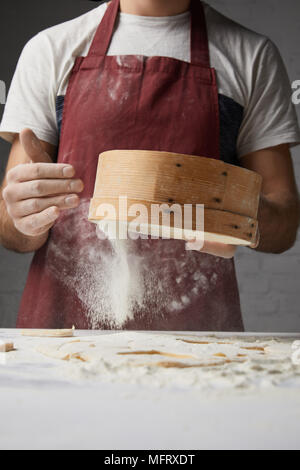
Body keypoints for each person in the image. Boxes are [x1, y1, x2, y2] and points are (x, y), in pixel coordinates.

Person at [0, 0, 299, 330]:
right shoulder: (50, 49)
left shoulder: (251, 56)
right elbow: (10, 230)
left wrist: (235, 217)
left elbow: (284, 223)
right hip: (65, 331)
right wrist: (23, 216)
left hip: (197, 336)